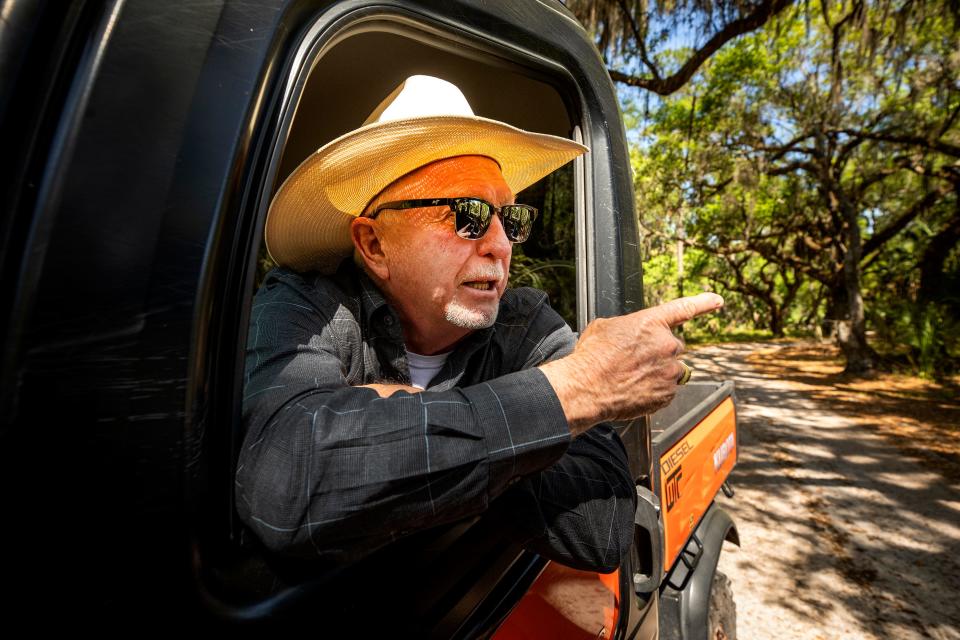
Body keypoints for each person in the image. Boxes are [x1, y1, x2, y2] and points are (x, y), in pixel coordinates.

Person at [236, 75, 722, 576]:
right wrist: (577, 390)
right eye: (467, 215)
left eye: (509, 219)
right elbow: (283, 479)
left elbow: (602, 528)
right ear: (375, 244)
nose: (501, 245)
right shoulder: (305, 304)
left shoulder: (526, 323)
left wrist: (396, 432)